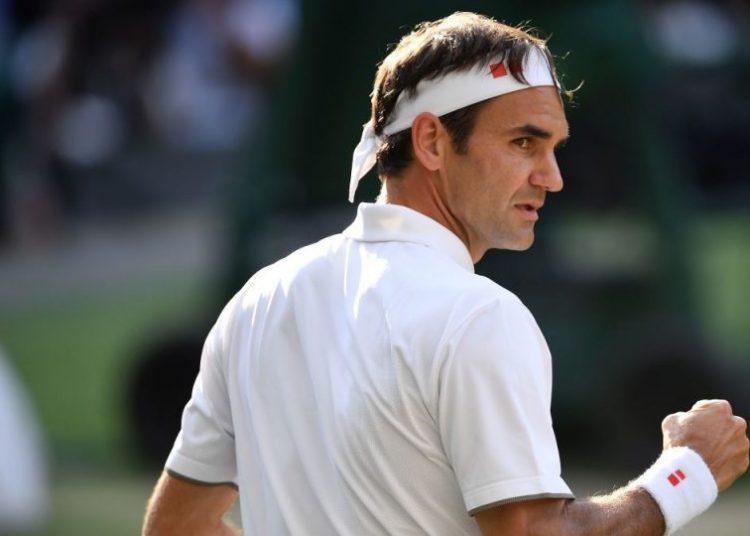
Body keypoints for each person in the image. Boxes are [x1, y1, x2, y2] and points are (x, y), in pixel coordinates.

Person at [142, 12, 749, 535]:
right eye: (523, 143)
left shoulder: (257, 300)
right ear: (431, 141)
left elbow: (175, 526)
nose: (552, 177)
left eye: (554, 147)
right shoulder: (479, 317)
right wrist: (686, 473)